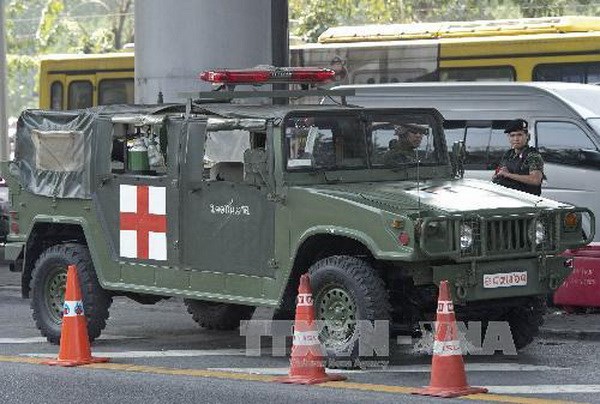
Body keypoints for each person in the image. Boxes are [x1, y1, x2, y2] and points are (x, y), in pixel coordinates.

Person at [492, 119, 544, 196]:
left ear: (527, 136)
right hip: (510, 198)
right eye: (512, 135)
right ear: (508, 138)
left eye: (519, 135)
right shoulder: (509, 154)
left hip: (527, 200)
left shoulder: (532, 155)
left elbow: (535, 180)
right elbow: (497, 175)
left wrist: (508, 175)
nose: (516, 139)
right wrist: (498, 175)